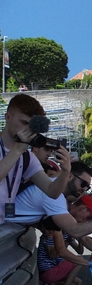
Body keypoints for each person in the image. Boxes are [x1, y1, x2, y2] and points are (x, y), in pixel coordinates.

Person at [0, 94, 71, 224]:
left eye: (32, 126)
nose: (27, 130)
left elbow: (52, 192)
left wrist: (65, 171)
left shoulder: (26, 157)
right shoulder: (20, 152)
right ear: (8, 117)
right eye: (24, 123)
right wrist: (17, 150)